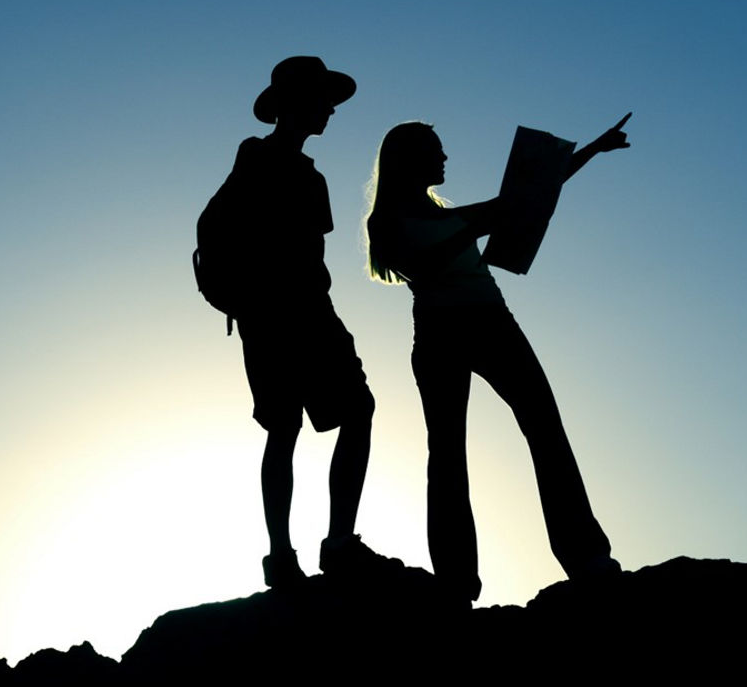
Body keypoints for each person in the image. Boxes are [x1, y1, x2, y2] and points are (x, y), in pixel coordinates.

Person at [365, 114, 632, 602]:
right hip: (439, 334)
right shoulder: (387, 221)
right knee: (447, 455)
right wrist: (472, 226)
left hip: (494, 322)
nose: (445, 157)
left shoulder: (453, 216)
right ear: (410, 160)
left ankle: (588, 557)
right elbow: (418, 265)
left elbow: (528, 195)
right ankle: (456, 582)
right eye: (436, 149)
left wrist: (592, 150)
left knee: (545, 429)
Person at [210, 56, 386, 587]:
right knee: (289, 427)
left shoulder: (314, 177)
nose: (331, 110)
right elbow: (228, 224)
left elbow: (315, 250)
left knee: (348, 412)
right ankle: (287, 554)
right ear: (295, 104)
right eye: (322, 99)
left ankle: (332, 543)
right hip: (274, 312)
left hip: (307, 310)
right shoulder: (255, 155)